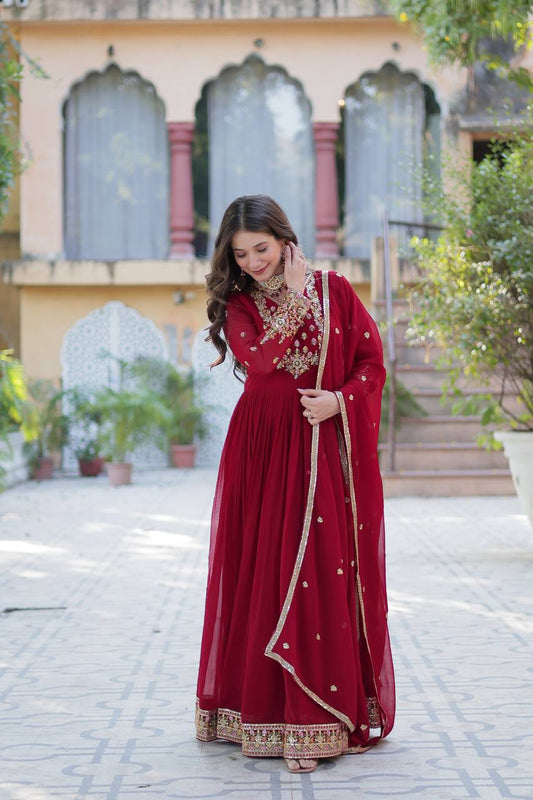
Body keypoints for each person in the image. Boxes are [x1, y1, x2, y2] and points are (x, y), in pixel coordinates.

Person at [195, 195, 395, 773]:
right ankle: (262, 713)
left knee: (317, 566)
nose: (253, 262)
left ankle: (314, 718)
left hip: (319, 440)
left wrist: (339, 401)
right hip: (262, 446)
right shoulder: (239, 302)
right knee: (266, 567)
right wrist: (297, 296)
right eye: (241, 254)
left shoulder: (337, 290)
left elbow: (371, 364)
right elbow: (261, 362)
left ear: (286, 240)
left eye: (261, 248)